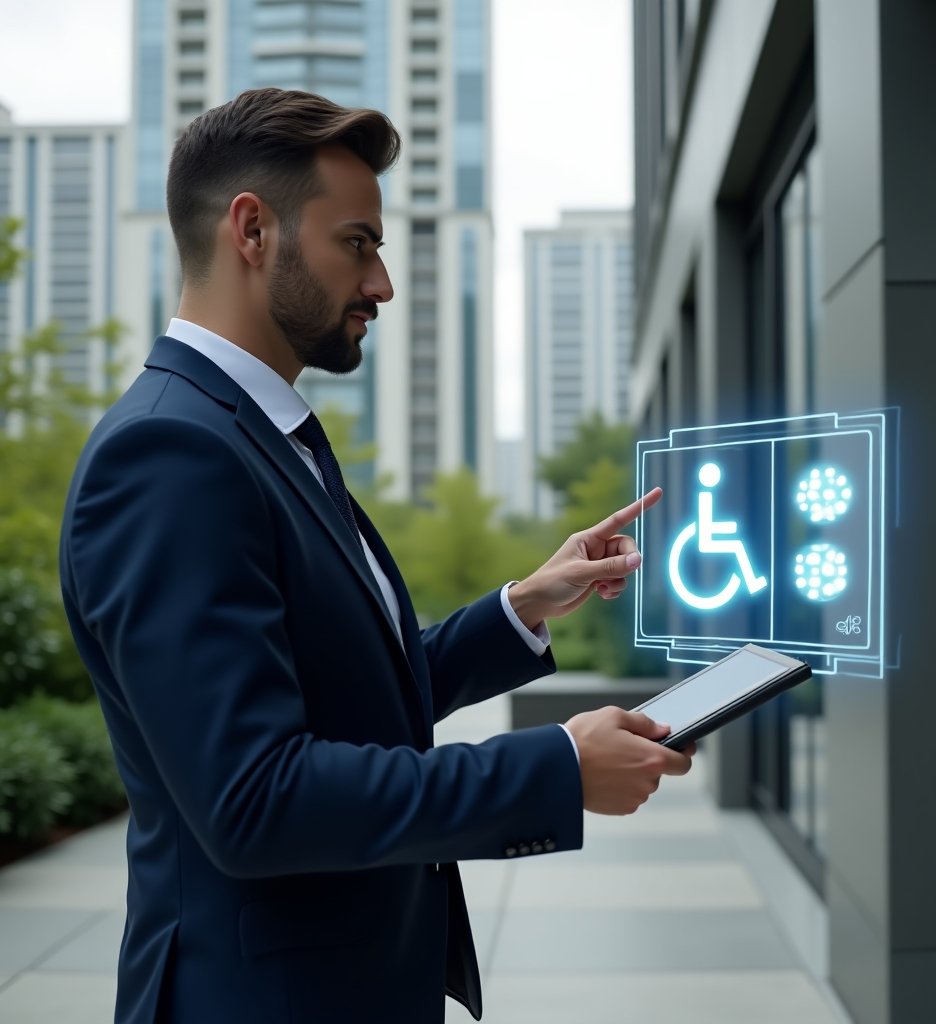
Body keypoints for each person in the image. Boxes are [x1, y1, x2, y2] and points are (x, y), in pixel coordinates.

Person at [58, 88, 694, 1024]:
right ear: (252, 230)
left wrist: (519, 607)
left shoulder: (258, 438)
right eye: (358, 242)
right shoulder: (171, 456)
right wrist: (554, 767)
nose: (382, 284)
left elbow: (350, 701)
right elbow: (255, 798)